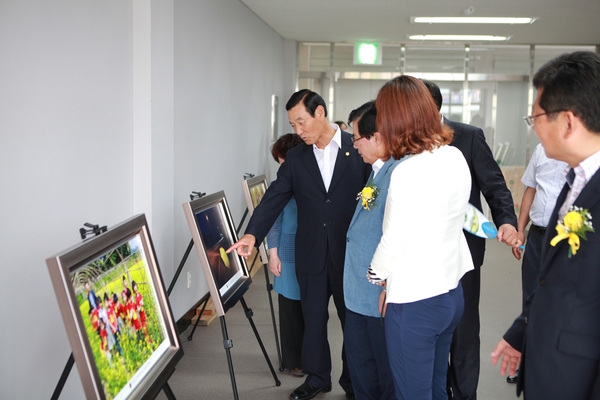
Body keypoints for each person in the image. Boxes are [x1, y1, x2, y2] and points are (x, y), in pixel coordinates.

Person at [228, 89, 371, 400]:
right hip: (312, 254)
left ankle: (353, 381)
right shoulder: (296, 157)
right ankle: (318, 378)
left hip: (349, 255)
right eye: (293, 125)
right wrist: (253, 234)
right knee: (314, 321)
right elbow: (275, 196)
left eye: (301, 122)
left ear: (320, 112)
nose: (298, 131)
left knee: (354, 325)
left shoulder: (357, 148)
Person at [491, 51, 600, 400]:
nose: (534, 126)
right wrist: (522, 331)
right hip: (548, 366)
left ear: (568, 122)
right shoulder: (575, 180)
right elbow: (554, 280)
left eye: (536, 117)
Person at [367, 75, 474, 400]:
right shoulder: (453, 156)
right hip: (450, 294)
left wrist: (376, 275)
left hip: (416, 304)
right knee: (435, 387)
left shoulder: (408, 171)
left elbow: (394, 240)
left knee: (413, 393)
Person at [421, 79, 519, 400]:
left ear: (431, 107)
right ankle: (439, 388)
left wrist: (507, 222)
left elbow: (494, 186)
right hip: (421, 253)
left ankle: (465, 394)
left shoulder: (469, 137)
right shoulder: (406, 139)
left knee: (463, 327)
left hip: (463, 248)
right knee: (430, 325)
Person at [343, 100, 397, 400]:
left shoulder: (398, 173)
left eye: (357, 139)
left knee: (382, 377)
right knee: (362, 371)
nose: (354, 146)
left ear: (377, 137)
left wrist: (389, 285)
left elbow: (398, 235)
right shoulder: (376, 172)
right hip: (358, 294)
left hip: (378, 297)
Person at [506, 143, 567, 383]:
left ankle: (555, 366)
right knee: (530, 298)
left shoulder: (582, 152)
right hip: (537, 236)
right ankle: (528, 364)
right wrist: (521, 229)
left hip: (565, 239)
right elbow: (530, 188)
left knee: (559, 301)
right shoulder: (542, 149)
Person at [265, 133, 305, 377]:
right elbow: (273, 222)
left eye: (282, 161)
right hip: (287, 253)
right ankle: (293, 361)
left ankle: (309, 358)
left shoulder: (312, 180)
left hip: (309, 251)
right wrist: (273, 254)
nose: (281, 168)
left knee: (309, 311)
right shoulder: (280, 184)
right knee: (290, 309)